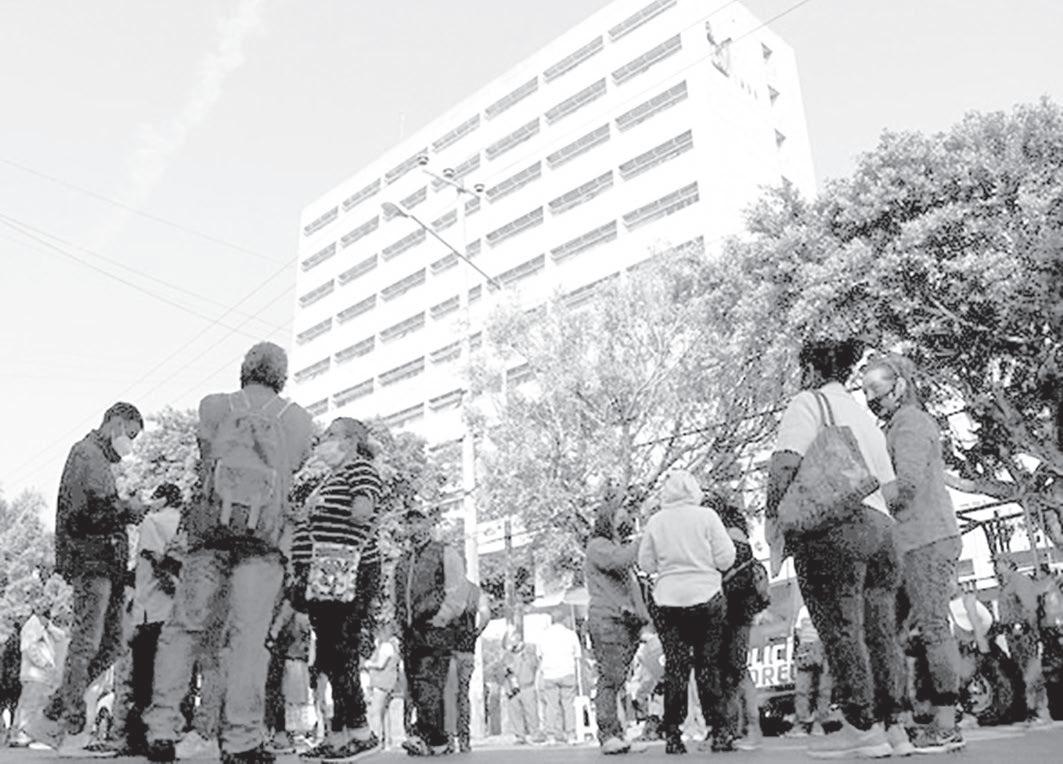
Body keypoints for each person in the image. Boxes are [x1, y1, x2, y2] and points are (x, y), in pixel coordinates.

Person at [144, 342, 315, 764]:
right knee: (248, 640)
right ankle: (241, 739)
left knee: (184, 629)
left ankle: (162, 728)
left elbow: (206, 456)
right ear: (282, 375)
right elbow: (294, 465)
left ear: (244, 369)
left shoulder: (214, 406)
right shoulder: (297, 419)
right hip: (263, 544)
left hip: (209, 538)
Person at [767, 338, 906, 759]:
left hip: (834, 528)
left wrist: (775, 518)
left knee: (841, 628)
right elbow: (892, 489)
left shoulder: (808, 403)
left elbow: (785, 463)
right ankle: (894, 727)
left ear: (810, 370)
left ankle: (862, 728)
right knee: (881, 631)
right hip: (882, 529)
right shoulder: (863, 415)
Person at [28, 401, 147, 757]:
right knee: (88, 642)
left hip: (104, 562)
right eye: (130, 435)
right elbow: (89, 511)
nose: (130, 444)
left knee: (111, 644)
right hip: (92, 560)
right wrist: (127, 509)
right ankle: (69, 725)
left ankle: (54, 713)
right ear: (116, 423)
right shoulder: (87, 455)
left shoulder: (95, 459)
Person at [863, 353, 966, 752]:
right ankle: (903, 719)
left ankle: (945, 724)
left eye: (876, 390)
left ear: (900, 386)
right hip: (905, 543)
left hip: (926, 538)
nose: (871, 399)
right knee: (889, 633)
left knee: (933, 628)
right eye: (865, 392)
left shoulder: (910, 423)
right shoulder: (894, 426)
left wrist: (861, 496)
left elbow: (905, 486)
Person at [289, 417, 385, 761]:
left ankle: (360, 730)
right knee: (330, 655)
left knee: (341, 650)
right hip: (324, 572)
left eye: (331, 435)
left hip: (345, 570)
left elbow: (362, 512)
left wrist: (319, 512)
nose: (323, 440)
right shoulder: (330, 478)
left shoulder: (360, 469)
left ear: (350, 441)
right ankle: (338, 735)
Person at [637, 470, 736, 754]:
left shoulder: (656, 521)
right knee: (708, 666)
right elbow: (726, 558)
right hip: (706, 595)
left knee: (676, 668)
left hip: (668, 600)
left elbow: (646, 564)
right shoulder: (707, 517)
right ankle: (719, 731)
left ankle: (672, 734)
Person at [393, 506, 468, 757]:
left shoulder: (443, 552)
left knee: (430, 684)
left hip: (435, 628)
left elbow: (456, 589)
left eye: (417, 521)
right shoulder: (403, 560)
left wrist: (442, 617)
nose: (412, 526)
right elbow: (396, 595)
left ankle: (430, 737)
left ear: (428, 524)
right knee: (415, 685)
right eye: (409, 522)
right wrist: (398, 622)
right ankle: (433, 738)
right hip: (409, 631)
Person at [585, 486, 650, 755]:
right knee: (610, 678)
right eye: (621, 513)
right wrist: (642, 540)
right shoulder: (599, 547)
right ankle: (608, 734)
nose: (626, 518)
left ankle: (618, 734)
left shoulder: (614, 547)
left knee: (617, 679)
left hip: (623, 621)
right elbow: (620, 561)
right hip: (608, 620)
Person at [125, 483, 183, 755]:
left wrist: (168, 581)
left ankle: (141, 735)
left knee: (144, 677)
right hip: (179, 611)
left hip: (151, 609)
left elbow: (153, 556)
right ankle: (173, 730)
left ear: (162, 499)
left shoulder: (152, 522)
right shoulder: (185, 524)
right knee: (174, 676)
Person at [708, 494, 762, 751]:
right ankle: (738, 727)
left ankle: (751, 727)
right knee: (733, 671)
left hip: (733, 611)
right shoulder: (739, 536)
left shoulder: (729, 539)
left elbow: (731, 576)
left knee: (736, 671)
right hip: (740, 611)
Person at [13, 604, 70, 747]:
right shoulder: (32, 626)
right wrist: (44, 663)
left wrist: (50, 627)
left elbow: (61, 636)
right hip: (34, 672)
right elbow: (29, 647)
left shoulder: (44, 626)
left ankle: (28, 732)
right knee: (29, 704)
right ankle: (21, 732)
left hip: (42, 674)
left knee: (37, 704)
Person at [444, 583, 491, 752]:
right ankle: (464, 739)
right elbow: (485, 615)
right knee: (463, 694)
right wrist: (476, 632)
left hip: (448, 651)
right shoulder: (475, 592)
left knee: (449, 695)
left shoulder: (445, 590)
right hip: (467, 651)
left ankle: (449, 739)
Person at [537, 607, 582, 745]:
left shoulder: (543, 635)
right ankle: (571, 735)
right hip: (567, 672)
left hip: (550, 674)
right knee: (568, 705)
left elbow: (539, 656)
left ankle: (551, 736)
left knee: (551, 706)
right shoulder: (571, 634)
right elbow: (577, 656)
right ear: (563, 620)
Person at [789, 606, 833, 738]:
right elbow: (798, 631)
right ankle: (803, 723)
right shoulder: (803, 610)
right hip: (807, 649)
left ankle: (819, 723)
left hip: (825, 647)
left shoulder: (829, 607)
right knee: (802, 689)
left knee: (824, 689)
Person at [502, 629, 542, 745]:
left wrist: (525, 656)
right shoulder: (507, 655)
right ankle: (519, 736)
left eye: (515, 640)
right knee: (515, 713)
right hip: (512, 688)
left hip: (527, 686)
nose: (513, 644)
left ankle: (535, 734)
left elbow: (535, 665)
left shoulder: (529, 652)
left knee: (531, 713)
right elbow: (501, 670)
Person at [364, 626, 400, 749]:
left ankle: (377, 738)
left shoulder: (385, 647)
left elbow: (380, 664)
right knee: (385, 713)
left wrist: (368, 664)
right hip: (389, 682)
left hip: (381, 682)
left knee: (376, 712)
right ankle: (387, 740)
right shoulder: (393, 645)